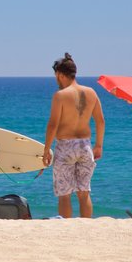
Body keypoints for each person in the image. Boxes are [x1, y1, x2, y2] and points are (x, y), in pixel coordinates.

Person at [42, 53, 105, 218]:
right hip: (85, 146)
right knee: (84, 192)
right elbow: (100, 121)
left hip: (65, 146)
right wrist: (98, 145)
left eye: (56, 76)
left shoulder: (60, 95)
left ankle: (67, 228)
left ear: (61, 75)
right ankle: (86, 226)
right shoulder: (91, 92)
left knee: (64, 194)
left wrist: (46, 149)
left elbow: (53, 125)